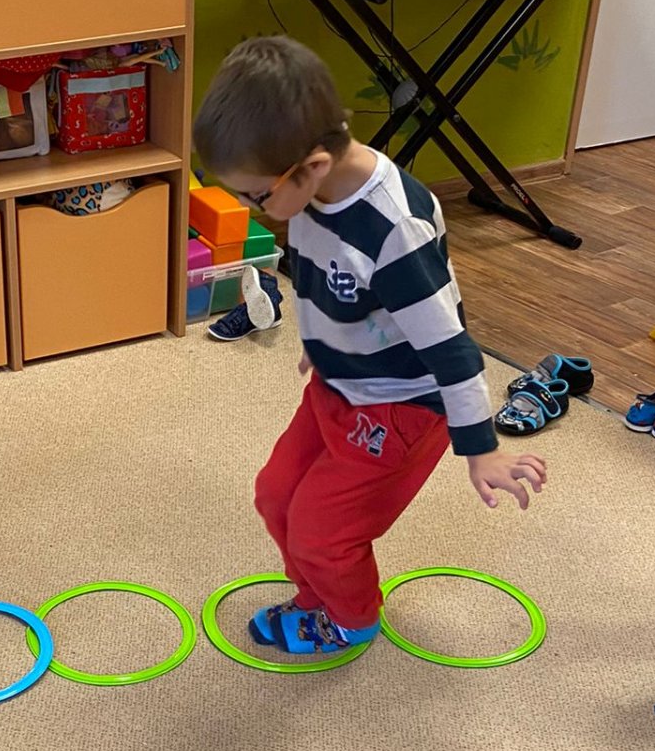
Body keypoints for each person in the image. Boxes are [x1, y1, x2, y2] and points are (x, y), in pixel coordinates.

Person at [192, 35, 545, 656]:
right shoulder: (308, 191)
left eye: (255, 196)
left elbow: (454, 351)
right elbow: (312, 268)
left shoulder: (393, 228)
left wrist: (482, 449)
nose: (252, 209)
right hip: (340, 382)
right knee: (275, 494)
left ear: (313, 165)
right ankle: (316, 596)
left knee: (322, 529)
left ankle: (350, 618)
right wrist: (321, 338)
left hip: (402, 407)